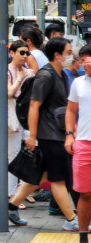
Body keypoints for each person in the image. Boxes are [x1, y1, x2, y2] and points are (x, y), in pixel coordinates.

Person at [8, 37, 80, 231]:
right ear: (57, 55)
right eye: (67, 52)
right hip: (49, 135)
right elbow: (34, 106)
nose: (70, 55)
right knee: (58, 178)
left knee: (41, 175)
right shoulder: (45, 76)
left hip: (58, 132)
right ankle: (71, 219)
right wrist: (32, 135)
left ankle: (12, 206)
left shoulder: (62, 74)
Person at [65, 43, 91, 243]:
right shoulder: (78, 83)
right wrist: (69, 134)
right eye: (83, 61)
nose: (85, 64)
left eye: (87, 60)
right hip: (83, 143)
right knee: (84, 193)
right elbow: (71, 110)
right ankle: (83, 235)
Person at [6, 40, 35, 203]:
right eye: (21, 53)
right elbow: (9, 93)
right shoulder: (7, 70)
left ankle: (23, 190)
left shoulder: (30, 72)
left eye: (27, 53)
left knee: (29, 153)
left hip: (27, 113)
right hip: (13, 112)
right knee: (13, 154)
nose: (25, 56)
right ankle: (11, 194)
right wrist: (20, 78)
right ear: (12, 53)